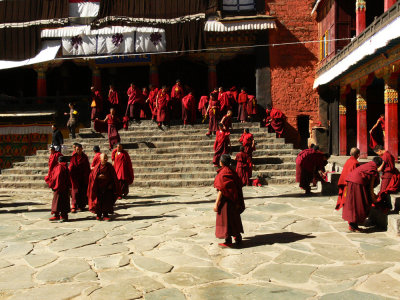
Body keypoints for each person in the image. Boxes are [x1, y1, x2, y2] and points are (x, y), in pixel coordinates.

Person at [342, 157, 383, 232]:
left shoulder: (366, 165)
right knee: (359, 204)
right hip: (358, 185)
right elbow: (371, 187)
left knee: (352, 203)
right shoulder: (373, 170)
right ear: (378, 165)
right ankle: (354, 226)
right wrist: (374, 199)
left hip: (351, 183)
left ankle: (352, 225)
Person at [214, 154, 245, 247]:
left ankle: (228, 240)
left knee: (226, 220)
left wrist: (216, 204)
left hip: (226, 202)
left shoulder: (223, 173)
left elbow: (221, 189)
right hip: (234, 201)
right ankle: (237, 237)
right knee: (234, 219)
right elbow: (239, 185)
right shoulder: (232, 171)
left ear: (221, 162)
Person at [88, 153, 121, 221]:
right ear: (100, 159)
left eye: (106, 157)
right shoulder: (97, 167)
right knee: (98, 202)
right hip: (98, 188)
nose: (106, 159)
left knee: (107, 201)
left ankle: (105, 215)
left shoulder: (109, 166)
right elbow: (92, 176)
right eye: (104, 157)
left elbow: (114, 177)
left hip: (107, 187)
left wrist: (111, 184)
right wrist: (97, 177)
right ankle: (98, 215)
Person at [48, 156, 71, 222]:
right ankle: (63, 216)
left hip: (58, 187)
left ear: (59, 161)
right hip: (65, 187)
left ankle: (57, 215)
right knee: (64, 201)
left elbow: (56, 177)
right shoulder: (65, 167)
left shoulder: (59, 167)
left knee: (57, 201)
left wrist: (54, 185)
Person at [69, 143, 90, 213]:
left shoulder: (85, 157)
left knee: (82, 191)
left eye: (80, 149)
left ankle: (81, 206)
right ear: (75, 150)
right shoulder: (73, 157)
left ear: (82, 149)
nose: (79, 151)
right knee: (75, 192)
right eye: (77, 149)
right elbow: (71, 167)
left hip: (83, 177)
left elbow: (87, 167)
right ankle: (74, 206)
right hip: (75, 177)